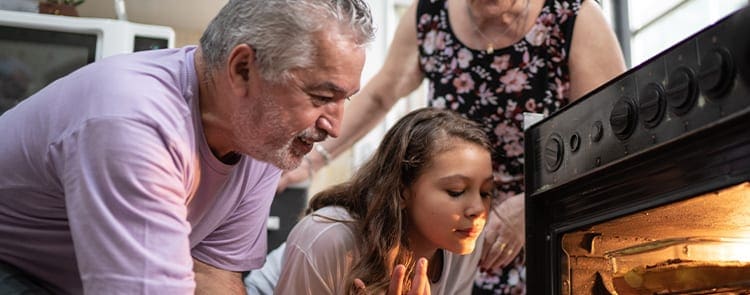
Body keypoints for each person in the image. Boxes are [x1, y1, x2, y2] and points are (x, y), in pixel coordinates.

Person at [0, 0, 374, 294]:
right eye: (322, 96)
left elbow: (212, 273)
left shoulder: (260, 137)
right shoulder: (132, 122)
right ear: (243, 69)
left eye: (346, 100)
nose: (335, 126)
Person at [277, 0, 627, 293]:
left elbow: (614, 133)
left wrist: (538, 202)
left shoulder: (573, 17)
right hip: (448, 225)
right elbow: (382, 92)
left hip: (547, 215)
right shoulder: (430, 13)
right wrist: (310, 160)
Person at [275, 107, 495, 294]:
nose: (478, 210)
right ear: (401, 192)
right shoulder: (327, 239)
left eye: (486, 192)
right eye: (456, 191)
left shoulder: (465, 239)